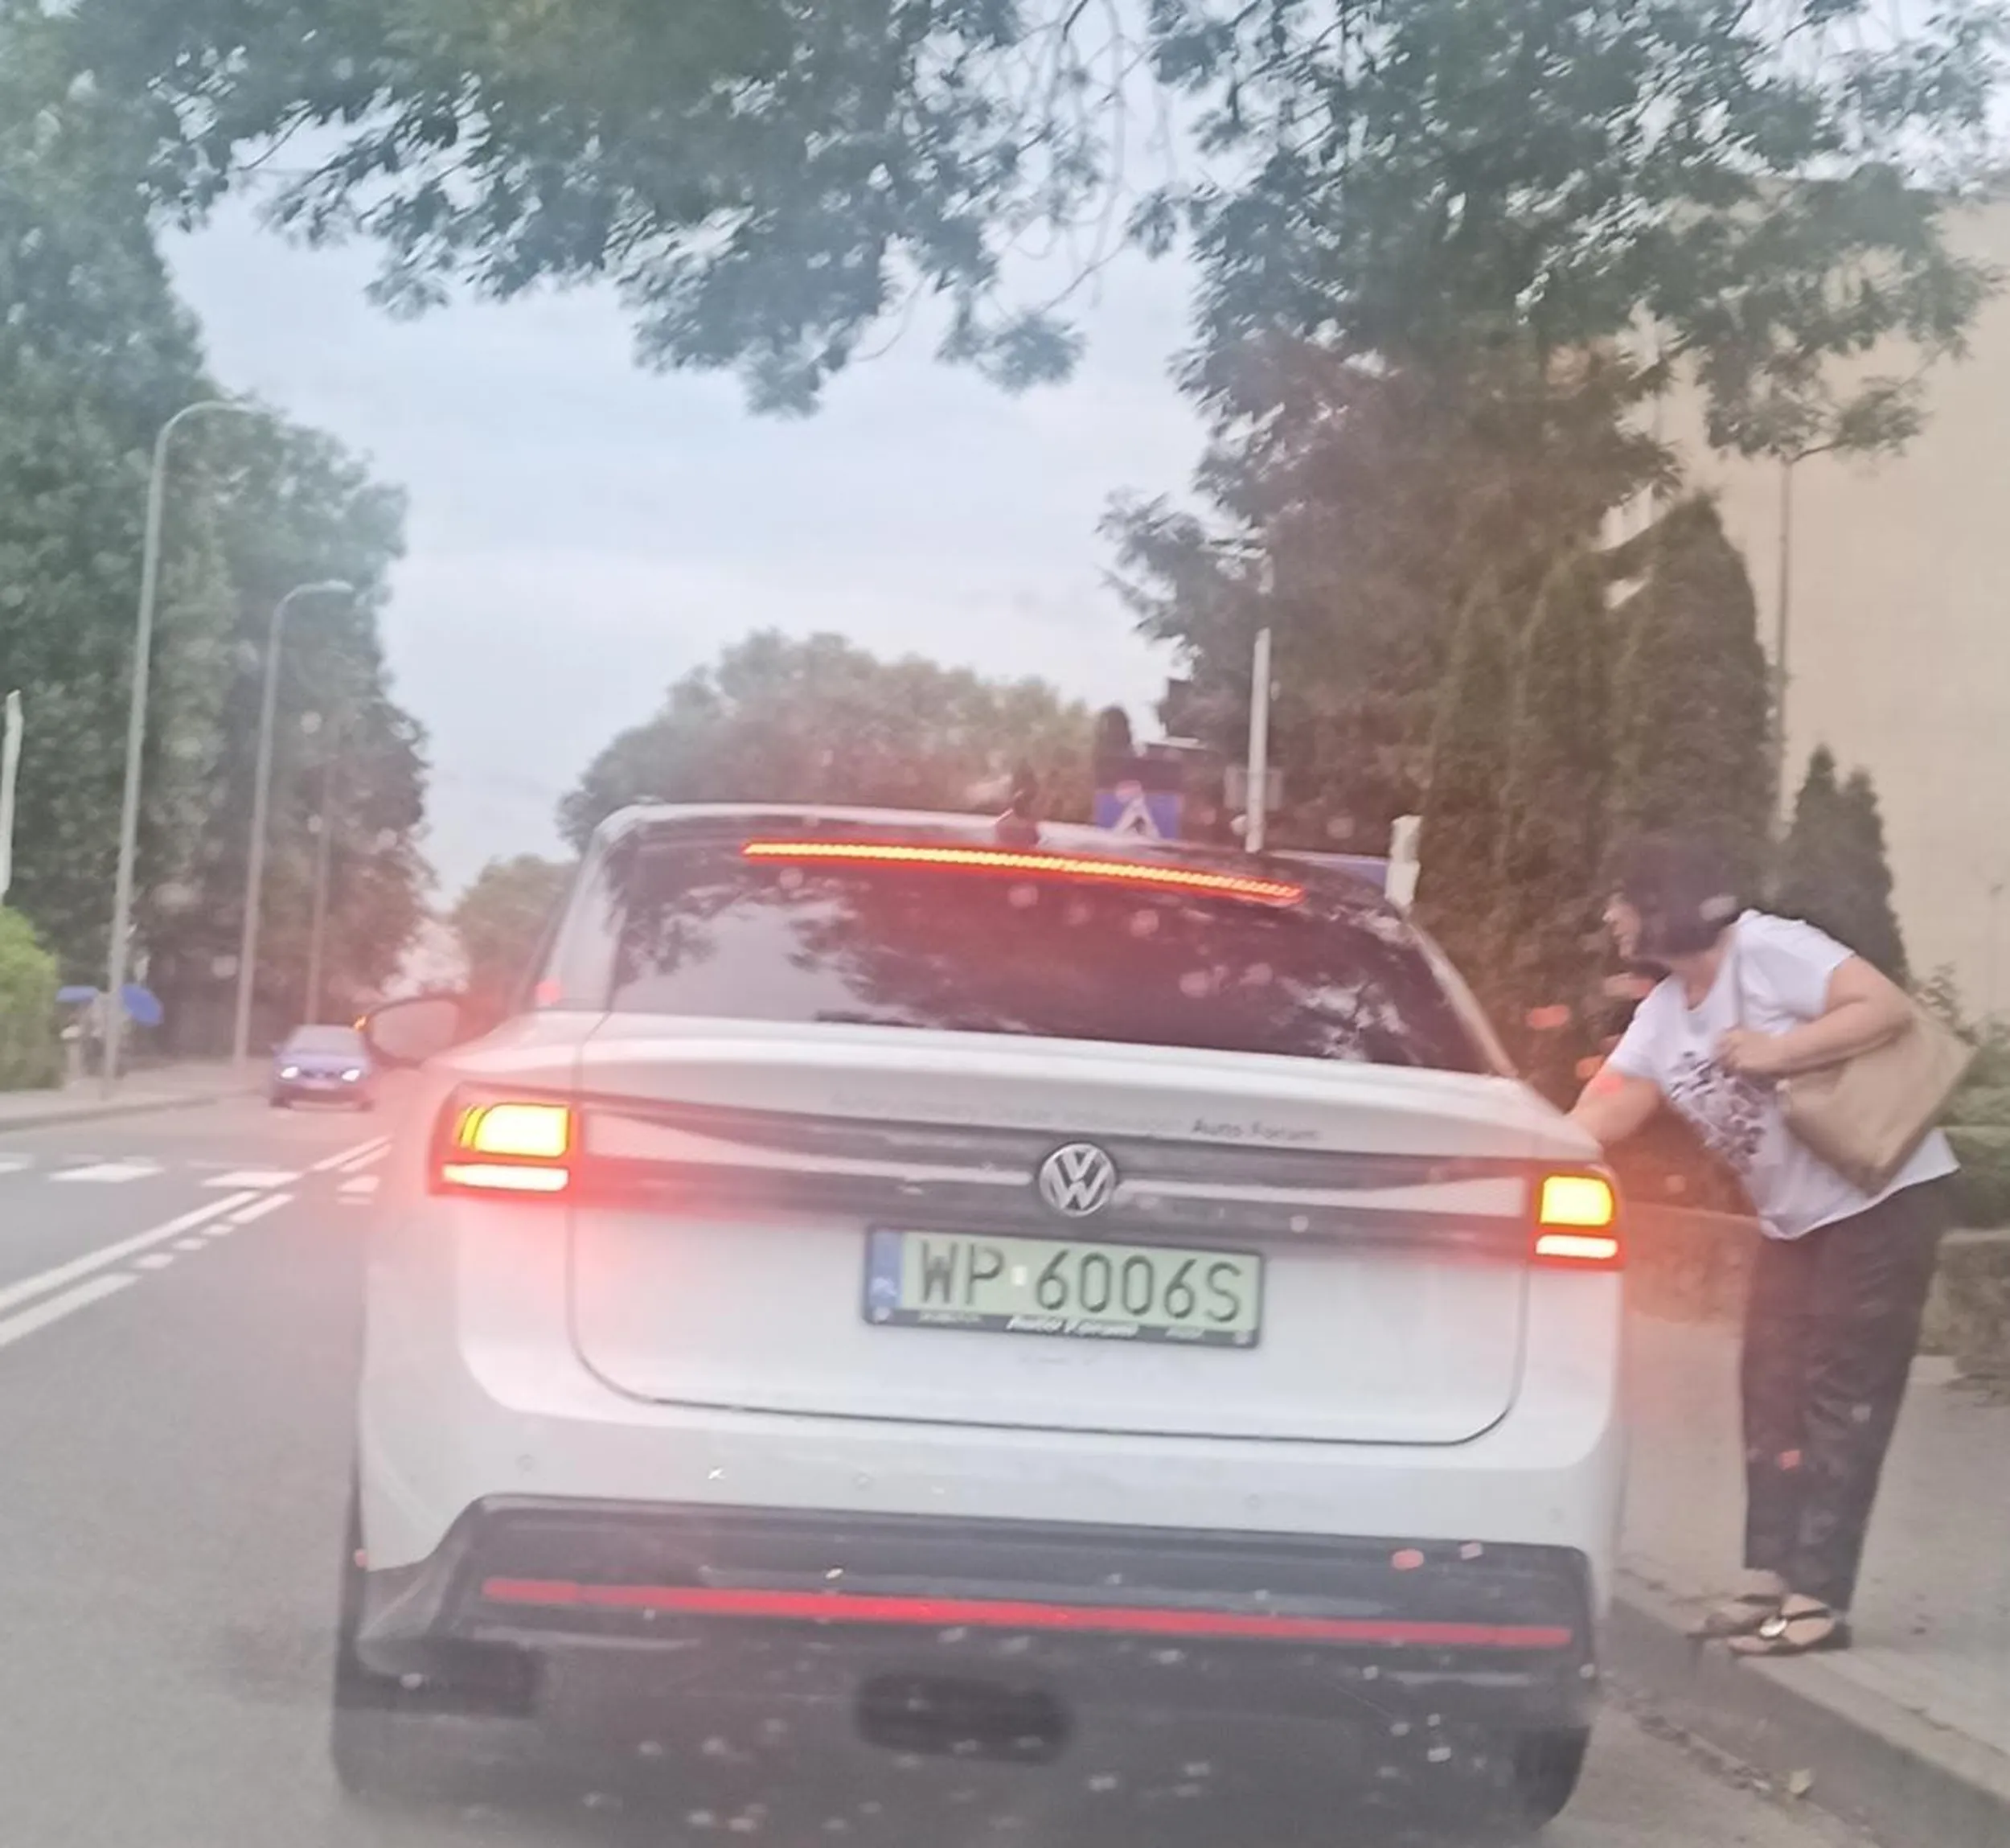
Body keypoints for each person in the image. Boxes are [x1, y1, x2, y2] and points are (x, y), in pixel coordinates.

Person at [1570, 833, 1957, 1658]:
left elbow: (1883, 1006)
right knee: (1770, 1388)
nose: (1611, 916)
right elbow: (1608, 1107)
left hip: (1882, 1200)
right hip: (1794, 1220)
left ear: (1663, 906)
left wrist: (1778, 1051)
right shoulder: (1664, 1012)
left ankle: (1820, 1600)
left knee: (1842, 1394)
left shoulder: (1768, 948)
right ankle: (1767, 1580)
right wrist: (1522, 1147)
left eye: (1622, 901)